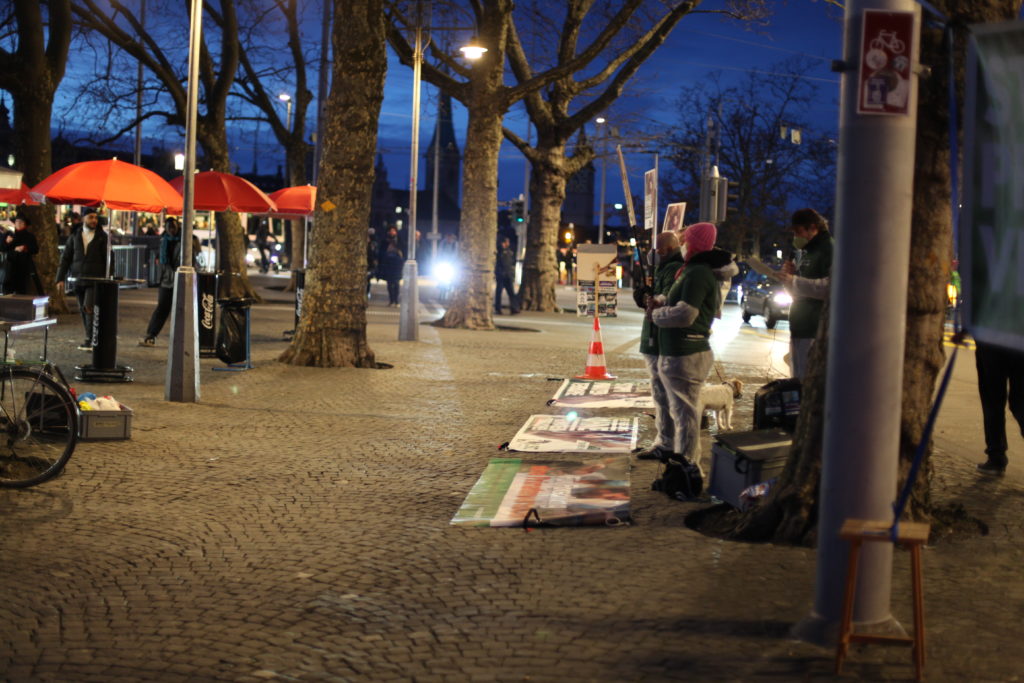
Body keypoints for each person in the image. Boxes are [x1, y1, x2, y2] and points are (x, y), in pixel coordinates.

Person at [648, 222, 723, 470]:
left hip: (687, 352)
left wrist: (657, 316)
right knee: (682, 413)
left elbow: (686, 313)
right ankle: (683, 462)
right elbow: (676, 300)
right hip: (679, 350)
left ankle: (688, 465)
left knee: (686, 415)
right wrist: (660, 301)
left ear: (696, 242)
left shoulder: (698, 272)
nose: (683, 245)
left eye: (686, 240)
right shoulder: (691, 270)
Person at [632, 230, 684, 461]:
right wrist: (644, 297)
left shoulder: (674, 269)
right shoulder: (664, 267)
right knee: (660, 393)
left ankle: (668, 442)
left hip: (661, 339)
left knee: (664, 394)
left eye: (659, 250)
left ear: (669, 249)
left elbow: (666, 300)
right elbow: (653, 299)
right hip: (654, 336)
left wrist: (654, 301)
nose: (655, 254)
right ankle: (666, 439)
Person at [777, 208, 833, 380]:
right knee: (797, 381)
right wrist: (788, 278)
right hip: (799, 325)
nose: (796, 237)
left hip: (816, 327)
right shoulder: (804, 251)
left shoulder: (828, 248)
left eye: (798, 231)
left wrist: (795, 281)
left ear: (813, 227)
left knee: (809, 382)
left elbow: (831, 286)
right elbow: (796, 291)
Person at [139, 218, 200, 347]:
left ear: (178, 227)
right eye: (169, 227)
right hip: (166, 281)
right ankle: (151, 335)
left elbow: (193, 259)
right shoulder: (163, 240)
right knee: (162, 308)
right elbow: (161, 261)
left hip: (182, 279)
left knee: (183, 310)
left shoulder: (187, 240)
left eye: (174, 227)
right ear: (166, 228)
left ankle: (187, 339)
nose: (172, 230)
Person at [56, 207, 109, 351]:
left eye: (95, 218)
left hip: (94, 279)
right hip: (78, 278)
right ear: (83, 219)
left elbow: (109, 259)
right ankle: (91, 337)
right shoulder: (75, 236)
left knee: (88, 307)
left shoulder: (102, 237)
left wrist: (108, 278)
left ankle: (90, 340)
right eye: (91, 217)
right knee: (83, 309)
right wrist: (60, 278)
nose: (94, 220)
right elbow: (66, 258)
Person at [974, 340, 1024, 476]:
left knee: (992, 401)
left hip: (990, 340)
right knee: (1020, 402)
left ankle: (996, 458)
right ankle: (996, 456)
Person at [0, 214, 40, 294]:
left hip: (23, 268)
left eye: (21, 222)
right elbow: (2, 248)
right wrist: (6, 242)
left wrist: (25, 248)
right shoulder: (9, 234)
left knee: (21, 290)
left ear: (25, 224)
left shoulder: (29, 236)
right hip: (9, 267)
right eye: (17, 221)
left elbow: (35, 249)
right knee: (7, 290)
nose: (18, 223)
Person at [494, 236, 519, 314]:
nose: (508, 243)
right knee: (499, 292)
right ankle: (498, 308)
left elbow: (510, 263)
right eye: (507, 242)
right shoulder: (499, 251)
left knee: (511, 292)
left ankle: (514, 308)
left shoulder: (509, 251)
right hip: (501, 274)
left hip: (507, 275)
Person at [379, 238, 404, 306]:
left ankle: (394, 300)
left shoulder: (394, 253)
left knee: (393, 286)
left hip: (393, 272)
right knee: (393, 286)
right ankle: (393, 300)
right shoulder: (396, 253)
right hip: (393, 272)